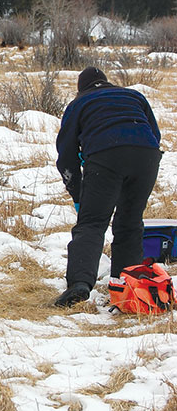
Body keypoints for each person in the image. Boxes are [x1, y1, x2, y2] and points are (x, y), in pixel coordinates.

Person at [54, 67, 162, 307]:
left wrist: (78, 194)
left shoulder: (79, 103)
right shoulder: (134, 96)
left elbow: (66, 156)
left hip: (106, 155)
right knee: (130, 222)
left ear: (81, 88)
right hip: (147, 155)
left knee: (91, 223)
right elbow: (155, 134)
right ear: (105, 82)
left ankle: (79, 284)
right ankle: (127, 287)